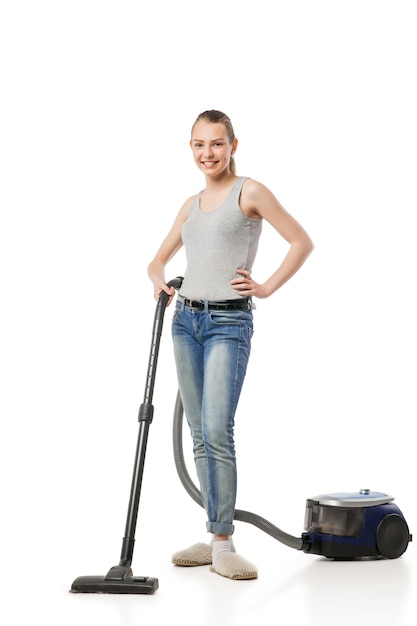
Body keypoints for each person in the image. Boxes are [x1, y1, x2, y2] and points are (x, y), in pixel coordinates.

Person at [148, 110, 313, 580]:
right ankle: (215, 531)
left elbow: (301, 242)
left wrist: (266, 287)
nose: (208, 154)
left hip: (228, 323)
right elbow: (156, 260)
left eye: (217, 144)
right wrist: (160, 281)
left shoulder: (251, 192)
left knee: (217, 430)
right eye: (199, 145)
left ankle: (222, 544)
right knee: (199, 434)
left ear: (233, 146)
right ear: (191, 148)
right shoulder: (190, 203)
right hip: (186, 322)